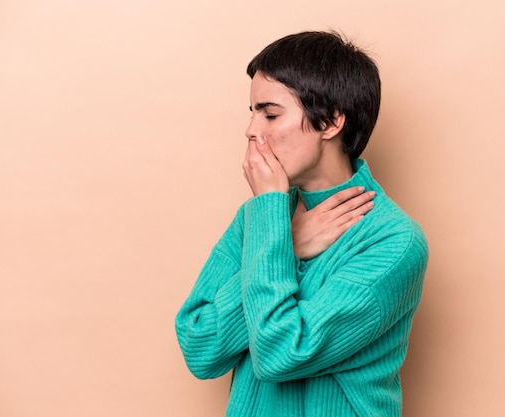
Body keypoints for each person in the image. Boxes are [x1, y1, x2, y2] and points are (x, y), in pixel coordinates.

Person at [175, 30, 428, 417]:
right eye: (252, 112)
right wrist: (285, 241)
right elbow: (200, 348)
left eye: (270, 113)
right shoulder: (259, 217)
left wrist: (273, 235)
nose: (251, 130)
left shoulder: (393, 241)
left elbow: (280, 354)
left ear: (330, 122)